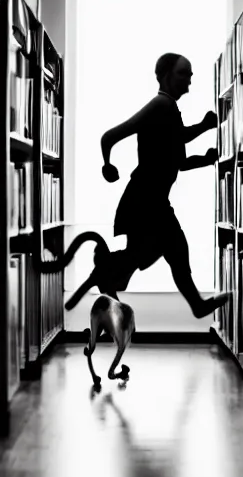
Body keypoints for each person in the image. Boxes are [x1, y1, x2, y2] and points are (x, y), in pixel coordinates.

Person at [98, 52, 231, 319]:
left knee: (158, 251)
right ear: (166, 75)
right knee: (170, 248)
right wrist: (107, 164)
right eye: (184, 74)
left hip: (150, 198)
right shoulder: (161, 105)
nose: (189, 83)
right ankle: (110, 272)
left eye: (191, 76)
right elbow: (111, 135)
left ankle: (112, 275)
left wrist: (205, 160)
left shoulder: (169, 109)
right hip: (145, 199)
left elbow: (178, 161)